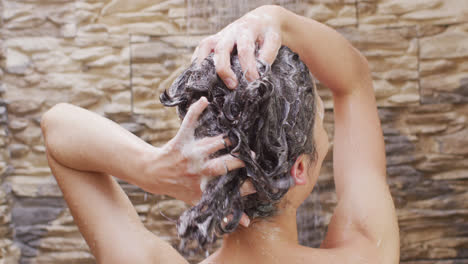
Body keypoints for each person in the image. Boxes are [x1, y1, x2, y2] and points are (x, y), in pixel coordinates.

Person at [41, 5, 399, 264]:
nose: (329, 137)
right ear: (299, 169)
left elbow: (57, 129)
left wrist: (152, 170)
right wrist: (276, 19)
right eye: (323, 125)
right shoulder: (368, 252)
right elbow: (353, 81)